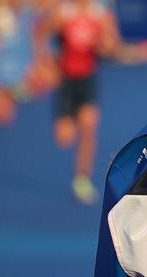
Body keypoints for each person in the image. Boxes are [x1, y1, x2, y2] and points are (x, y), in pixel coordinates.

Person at [43, 0, 121, 204]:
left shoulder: (99, 13)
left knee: (89, 127)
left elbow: (112, 46)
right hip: (66, 80)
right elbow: (41, 34)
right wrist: (45, 64)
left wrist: (105, 44)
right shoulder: (64, 12)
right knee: (65, 138)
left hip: (87, 80)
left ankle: (82, 179)